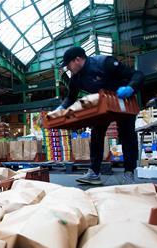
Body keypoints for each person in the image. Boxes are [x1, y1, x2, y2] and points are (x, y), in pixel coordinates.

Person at [56, 46, 145, 185]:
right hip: (103, 106)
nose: (68, 68)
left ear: (77, 60)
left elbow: (138, 74)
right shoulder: (76, 77)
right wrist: (60, 109)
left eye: (68, 65)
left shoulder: (105, 63)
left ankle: (129, 173)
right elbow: (70, 97)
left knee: (127, 135)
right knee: (96, 135)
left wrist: (131, 87)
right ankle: (94, 173)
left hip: (123, 101)